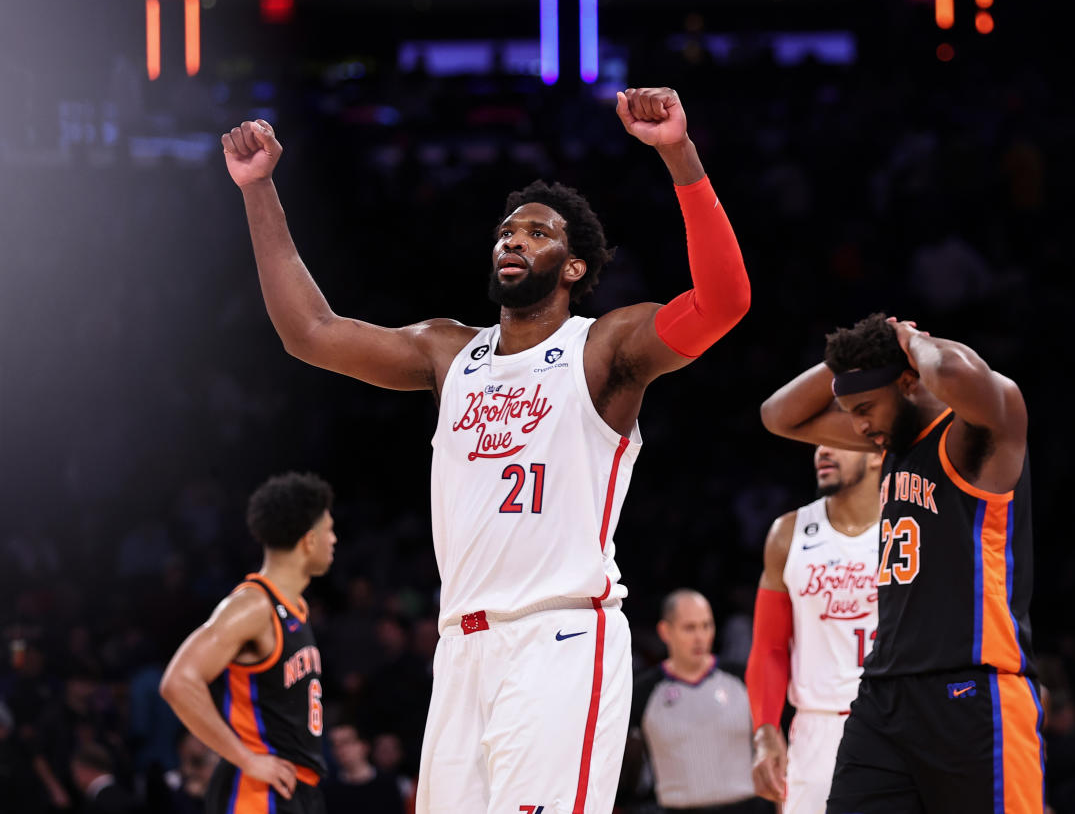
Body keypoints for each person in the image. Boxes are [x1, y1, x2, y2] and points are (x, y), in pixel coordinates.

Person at [218, 85, 749, 814]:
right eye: (507, 230)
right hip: (462, 647)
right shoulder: (449, 352)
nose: (513, 239)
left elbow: (723, 302)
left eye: (536, 233)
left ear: (572, 267)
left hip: (559, 636)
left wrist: (679, 154)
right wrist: (259, 191)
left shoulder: (600, 350)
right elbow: (309, 332)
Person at [760, 313, 1042, 814]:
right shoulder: (890, 441)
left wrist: (909, 339)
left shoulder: (978, 435)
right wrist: (847, 362)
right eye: (851, 410)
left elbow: (954, 375)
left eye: (866, 407)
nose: (859, 424)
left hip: (973, 688)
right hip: (884, 695)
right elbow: (778, 415)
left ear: (910, 379)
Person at [160, 472, 337, 814]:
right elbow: (178, 682)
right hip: (258, 791)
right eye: (329, 529)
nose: (334, 539)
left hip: (297, 788)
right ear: (309, 540)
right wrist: (246, 758)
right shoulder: (253, 605)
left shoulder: (296, 608)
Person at [746, 445, 881, 814]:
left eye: (838, 439)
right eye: (818, 440)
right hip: (815, 730)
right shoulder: (788, 534)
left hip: (894, 722)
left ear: (877, 454)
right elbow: (769, 647)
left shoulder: (910, 531)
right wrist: (766, 730)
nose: (822, 448)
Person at [629, 590, 767, 813]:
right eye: (689, 628)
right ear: (665, 631)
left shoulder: (743, 679)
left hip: (747, 807)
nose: (700, 637)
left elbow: (776, 746)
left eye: (706, 626)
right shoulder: (643, 691)